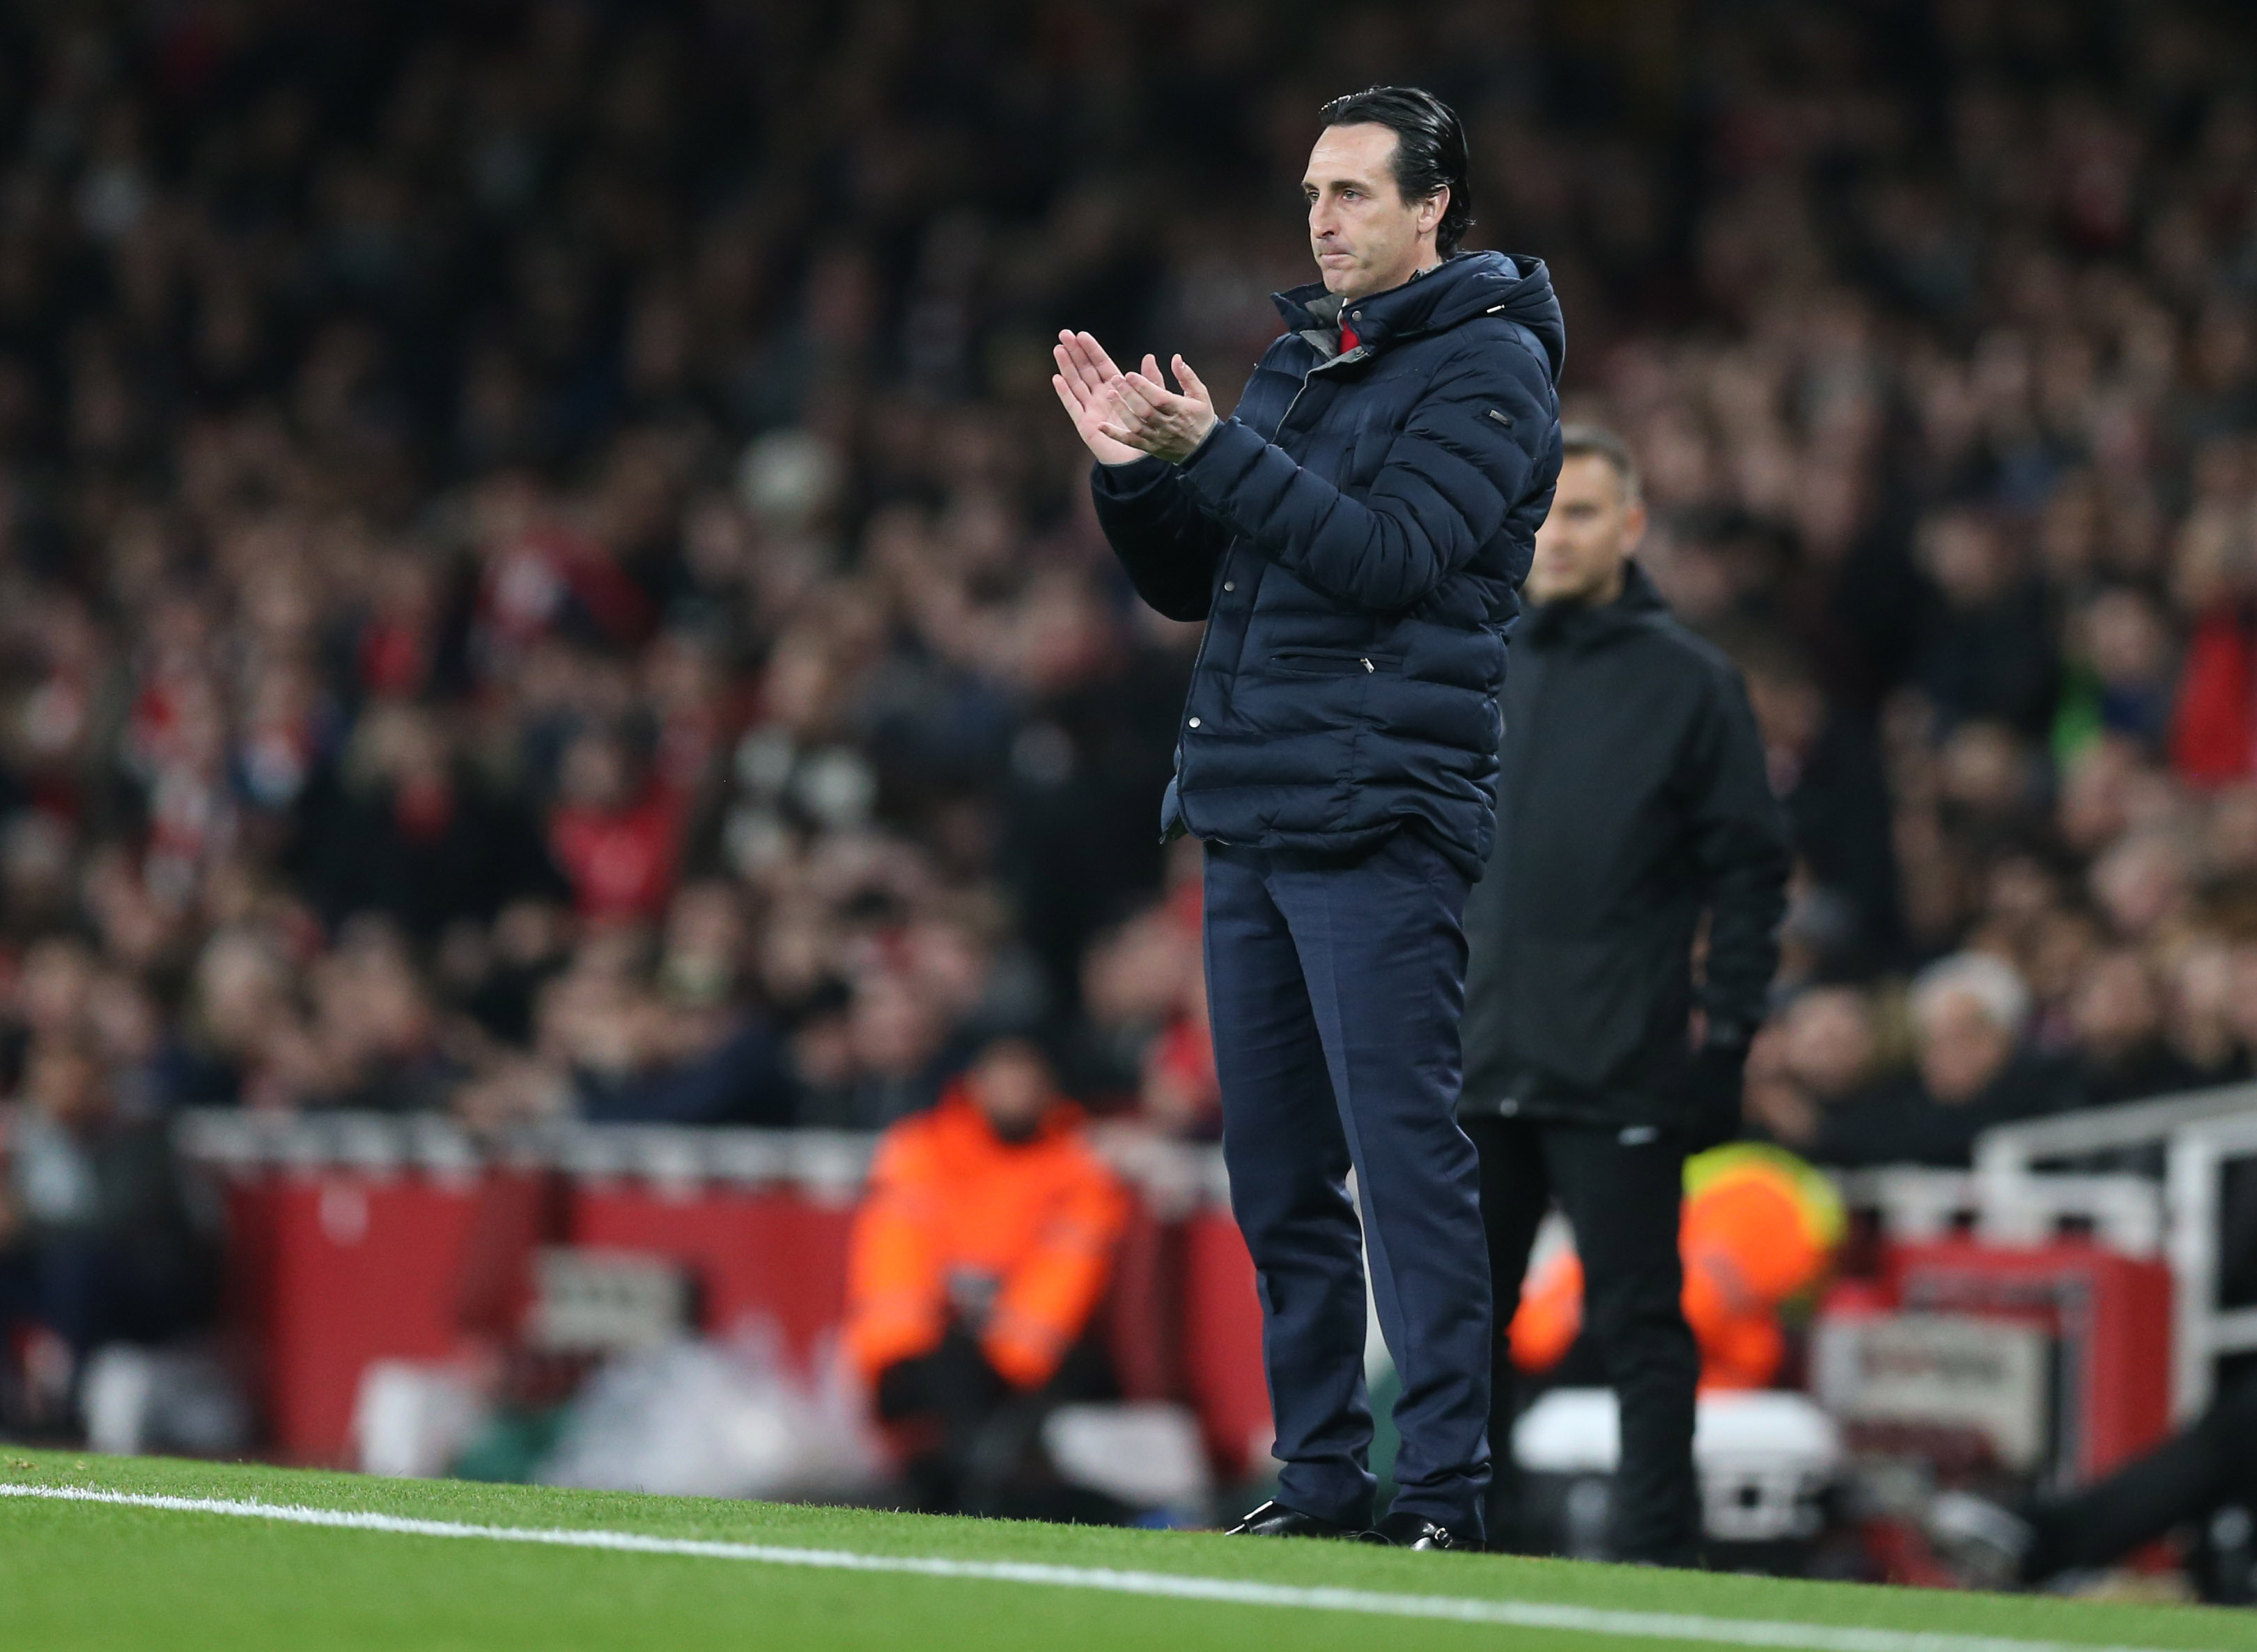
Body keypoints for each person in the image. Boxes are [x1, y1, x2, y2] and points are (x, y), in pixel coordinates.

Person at [1055, 86, 1564, 1550]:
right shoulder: (1300, 362)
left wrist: (1214, 448)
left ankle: (1451, 1497)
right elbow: (1200, 578)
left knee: (1406, 1169)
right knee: (1277, 1176)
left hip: (1381, 819)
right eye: (1312, 194)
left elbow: (1396, 558)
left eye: (1352, 194)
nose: (1323, 221)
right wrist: (1130, 469)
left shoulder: (1493, 368)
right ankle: (1327, 1481)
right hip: (1259, 806)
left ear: (1433, 208)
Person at [1458, 426, 1792, 1565]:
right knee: (1459, 1329)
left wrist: (1728, 1038)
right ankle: (1454, 1544)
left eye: (1585, 512)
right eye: (1543, 510)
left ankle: (1658, 1560)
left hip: (1620, 1061)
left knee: (1643, 1322)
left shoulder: (1691, 683)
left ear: (1633, 527)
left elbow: (1751, 872)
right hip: (1474, 1057)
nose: (1557, 534)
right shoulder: (1468, 654)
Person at [843, 1036, 1130, 1518]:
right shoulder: (920, 1149)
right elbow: (895, 1272)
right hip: (932, 1351)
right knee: (947, 1381)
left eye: (1027, 1082)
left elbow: (1061, 1288)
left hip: (1022, 1360)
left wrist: (1002, 1359)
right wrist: (915, 1352)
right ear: (975, 1085)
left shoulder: (1080, 1169)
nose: (1014, 1093)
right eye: (1004, 1079)